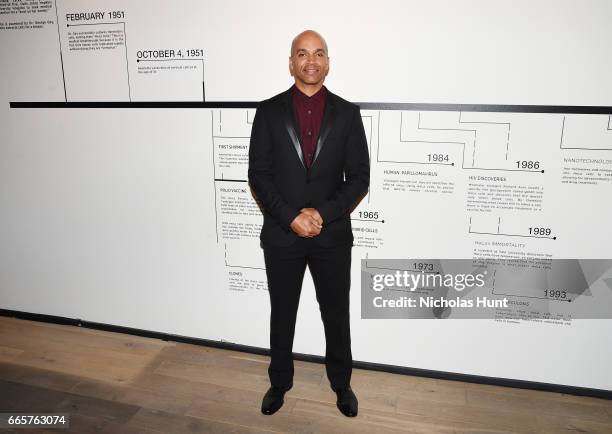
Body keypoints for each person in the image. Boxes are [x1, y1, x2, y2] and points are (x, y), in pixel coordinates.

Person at [248, 29, 370, 417]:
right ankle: (279, 382)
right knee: (282, 313)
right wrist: (290, 218)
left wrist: (323, 214)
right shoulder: (268, 112)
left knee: (335, 314)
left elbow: (360, 177)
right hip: (282, 235)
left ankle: (342, 384)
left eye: (318, 53)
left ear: (328, 62)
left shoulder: (348, 114)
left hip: (332, 236)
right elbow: (259, 175)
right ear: (291, 63)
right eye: (302, 54)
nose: (311, 61)